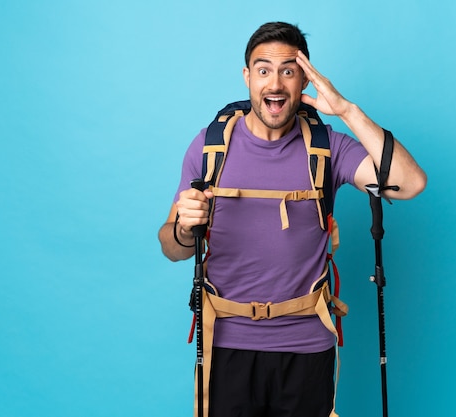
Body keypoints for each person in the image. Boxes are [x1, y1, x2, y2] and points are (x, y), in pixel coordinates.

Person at [158, 21, 426, 417]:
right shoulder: (209, 147)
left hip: (307, 344)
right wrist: (183, 226)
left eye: (288, 70)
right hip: (226, 343)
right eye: (263, 70)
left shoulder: (328, 147)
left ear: (304, 80)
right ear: (247, 77)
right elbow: (171, 248)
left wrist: (347, 111)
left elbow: (410, 184)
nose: (275, 84)